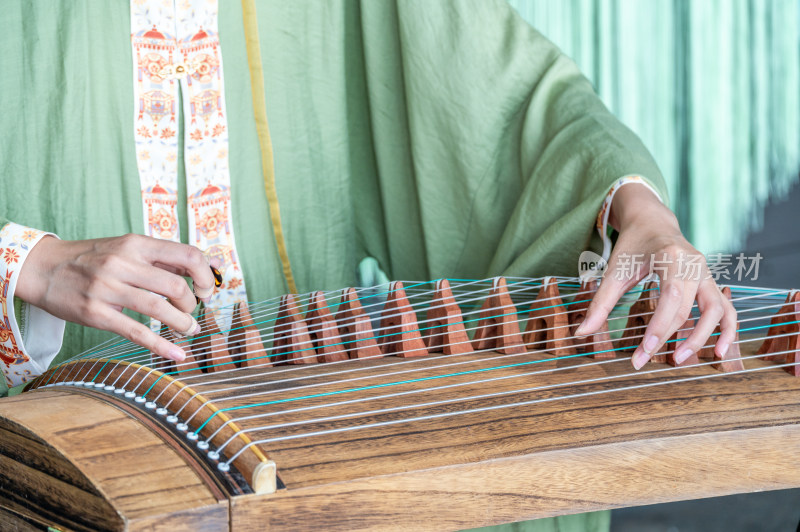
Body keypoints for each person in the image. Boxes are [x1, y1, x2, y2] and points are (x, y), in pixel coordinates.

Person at [0, 1, 735, 529]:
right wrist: (28, 264)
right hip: (48, 464)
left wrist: (637, 213)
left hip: (297, 450)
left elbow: (501, 98)